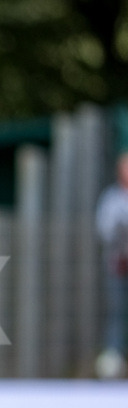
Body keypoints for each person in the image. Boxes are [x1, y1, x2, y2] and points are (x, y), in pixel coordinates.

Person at [96, 151, 128, 379]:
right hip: (118, 266)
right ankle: (114, 360)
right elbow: (104, 230)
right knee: (116, 314)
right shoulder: (111, 199)